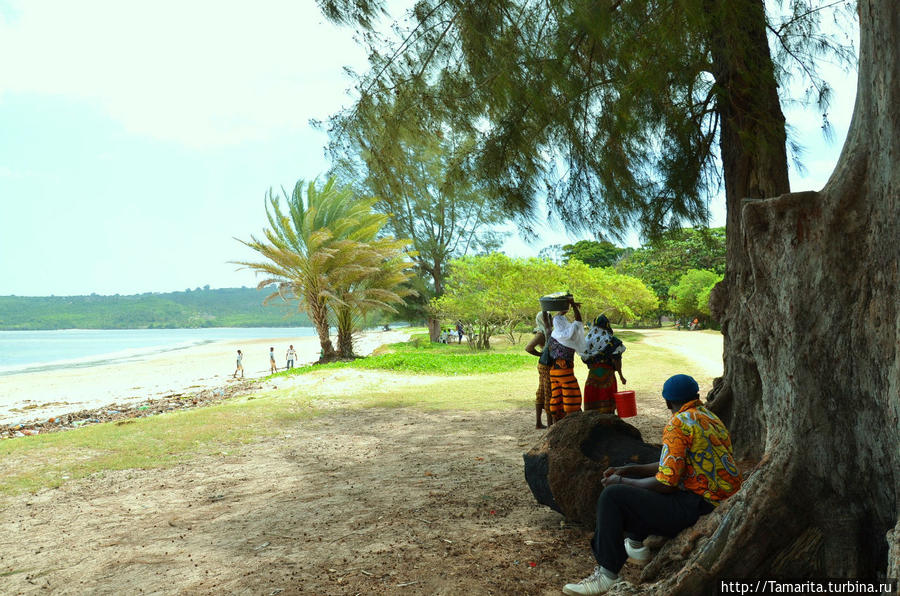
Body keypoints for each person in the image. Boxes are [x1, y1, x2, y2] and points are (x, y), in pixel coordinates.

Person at [562, 374, 742, 595]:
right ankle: (636, 545)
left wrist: (619, 480)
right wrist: (630, 469)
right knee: (635, 484)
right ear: (695, 396)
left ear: (667, 402)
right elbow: (671, 464)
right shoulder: (709, 417)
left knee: (613, 496)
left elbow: (666, 484)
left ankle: (607, 574)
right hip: (717, 499)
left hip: (699, 505)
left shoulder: (677, 425)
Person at [547, 297, 586, 420]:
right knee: (571, 396)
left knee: (556, 397)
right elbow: (578, 321)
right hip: (565, 371)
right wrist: (573, 305)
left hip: (553, 371)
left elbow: (556, 318)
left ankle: (555, 422)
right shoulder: (569, 336)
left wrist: (563, 308)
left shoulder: (553, 335)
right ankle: (570, 420)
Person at [581, 315, 627, 414]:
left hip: (593, 375)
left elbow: (584, 358)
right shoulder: (612, 341)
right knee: (607, 399)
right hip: (608, 374)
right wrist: (621, 376)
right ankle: (608, 421)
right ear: (607, 325)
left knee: (593, 398)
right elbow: (617, 360)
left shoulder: (588, 339)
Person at [525, 311, 553, 428]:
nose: (551, 319)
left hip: (543, 365)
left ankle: (538, 423)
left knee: (541, 391)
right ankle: (550, 423)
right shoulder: (542, 333)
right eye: (549, 317)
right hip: (547, 365)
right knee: (548, 393)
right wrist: (541, 354)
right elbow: (528, 348)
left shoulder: (543, 331)